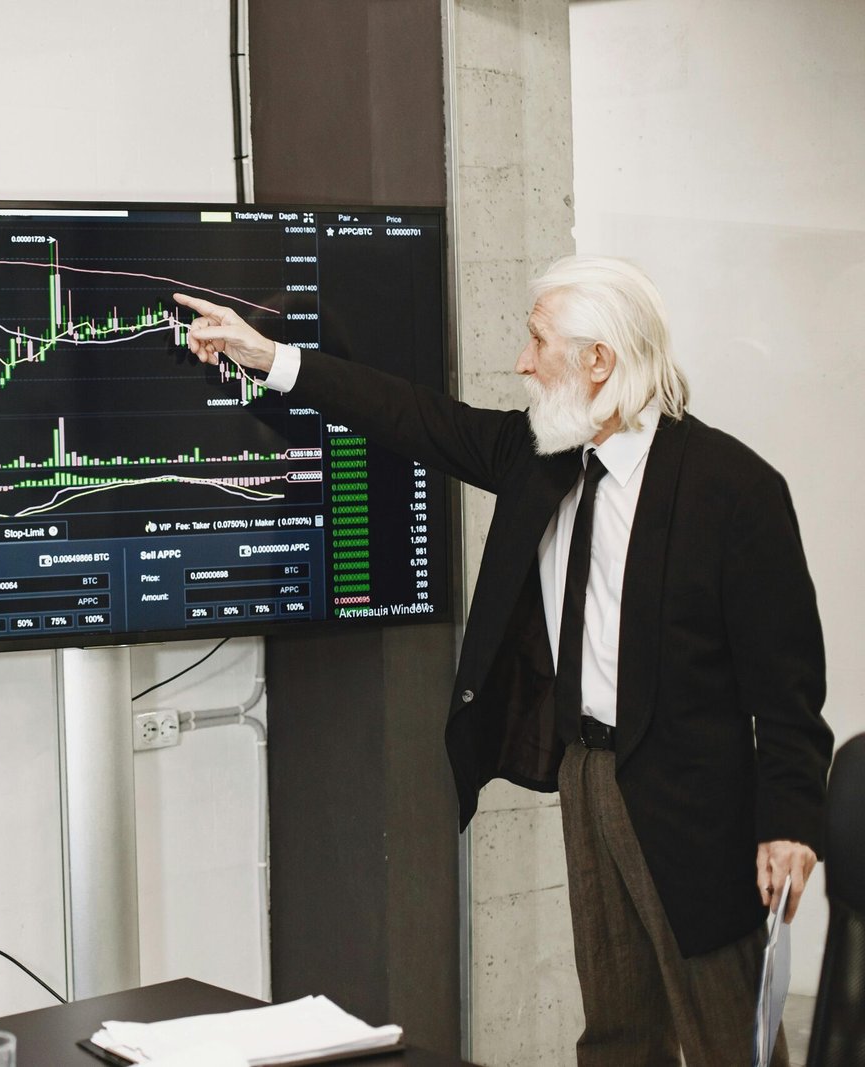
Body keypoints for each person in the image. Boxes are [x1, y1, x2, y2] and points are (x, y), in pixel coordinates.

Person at [174, 256, 832, 1066]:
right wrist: (268, 357)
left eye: (538, 341)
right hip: (587, 775)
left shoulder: (734, 489)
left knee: (727, 1037)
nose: (522, 362)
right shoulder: (541, 456)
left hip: (694, 797)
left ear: (599, 359)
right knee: (618, 1034)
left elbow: (790, 691)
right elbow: (412, 415)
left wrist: (790, 824)